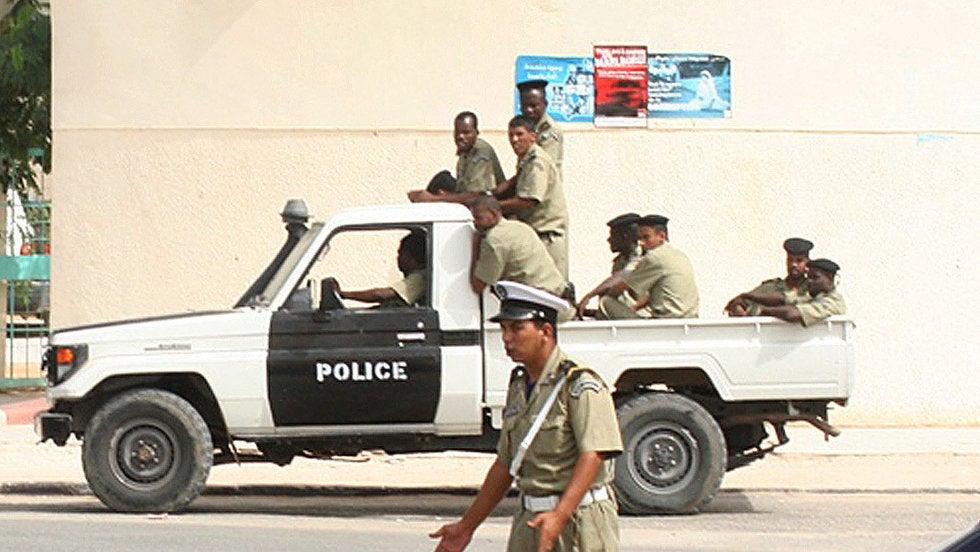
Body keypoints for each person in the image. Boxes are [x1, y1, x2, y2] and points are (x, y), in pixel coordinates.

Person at [430, 281, 622, 552]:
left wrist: (561, 514)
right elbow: (506, 464)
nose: (507, 338)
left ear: (545, 331)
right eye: (503, 329)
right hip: (531, 518)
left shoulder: (579, 385)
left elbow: (594, 454)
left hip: (579, 519)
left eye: (517, 328)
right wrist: (466, 527)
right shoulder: (520, 386)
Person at [494, 115, 569, 279]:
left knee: (550, 291)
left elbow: (529, 200)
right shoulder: (526, 159)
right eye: (511, 135)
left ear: (533, 136)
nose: (514, 140)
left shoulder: (537, 161)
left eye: (519, 134)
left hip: (547, 237)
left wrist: (494, 207)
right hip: (535, 235)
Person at [595, 214, 699, 319]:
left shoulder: (653, 257)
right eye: (639, 238)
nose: (641, 243)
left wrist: (594, 297)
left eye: (646, 237)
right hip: (689, 317)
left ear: (662, 236)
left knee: (606, 302)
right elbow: (661, 294)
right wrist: (635, 307)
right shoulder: (680, 255)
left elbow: (621, 287)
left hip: (664, 320)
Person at [469, 195, 567, 298]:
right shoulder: (520, 226)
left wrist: (475, 246)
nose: (474, 222)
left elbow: (478, 286)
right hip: (557, 291)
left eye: (478, 217)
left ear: (493, 214)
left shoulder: (495, 240)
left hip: (537, 298)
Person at [409, 112, 506, 204]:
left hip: (488, 206)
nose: (460, 137)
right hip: (469, 196)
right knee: (442, 179)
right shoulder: (465, 150)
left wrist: (433, 199)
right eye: (457, 132)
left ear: (476, 132)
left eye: (466, 132)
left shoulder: (481, 153)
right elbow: (463, 189)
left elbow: (476, 196)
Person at [729, 258, 846, 326]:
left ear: (830, 279)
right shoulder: (817, 296)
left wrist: (763, 311)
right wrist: (748, 297)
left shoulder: (832, 302)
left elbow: (792, 314)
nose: (809, 281)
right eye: (808, 277)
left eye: (815, 278)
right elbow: (783, 299)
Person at [575, 212, 643, 318]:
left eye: (613, 236)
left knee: (606, 301)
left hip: (644, 318)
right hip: (628, 315)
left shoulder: (642, 256)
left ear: (624, 237)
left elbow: (623, 276)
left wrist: (589, 296)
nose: (609, 240)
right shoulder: (620, 261)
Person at [336, 230, 427, 307]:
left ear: (409, 257)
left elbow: (381, 295)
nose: (397, 258)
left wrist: (343, 294)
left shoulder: (419, 278)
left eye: (400, 254)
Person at [724, 237, 813, 316]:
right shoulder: (771, 287)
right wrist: (740, 311)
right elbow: (739, 302)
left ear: (808, 263)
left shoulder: (813, 288)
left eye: (799, 261)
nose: (793, 265)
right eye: (790, 260)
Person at [517, 79, 564, 173]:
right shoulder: (526, 127)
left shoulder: (550, 131)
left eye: (533, 105)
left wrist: (507, 185)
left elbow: (541, 168)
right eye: (524, 106)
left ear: (545, 104)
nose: (529, 110)